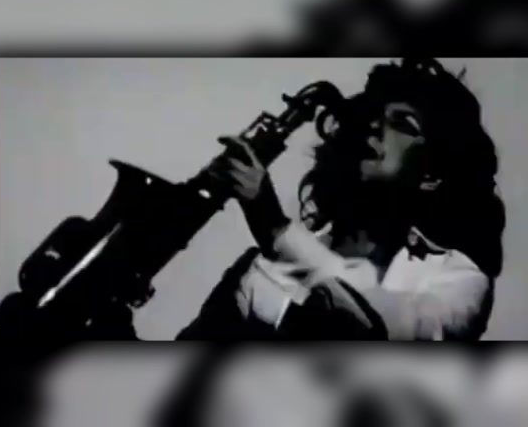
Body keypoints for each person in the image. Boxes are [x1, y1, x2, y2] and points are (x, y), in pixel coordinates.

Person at [178, 58, 505, 340]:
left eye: (402, 124)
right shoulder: (260, 270)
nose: (375, 125)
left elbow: (391, 328)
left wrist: (276, 229)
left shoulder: (457, 279)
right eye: (376, 114)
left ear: (431, 175)